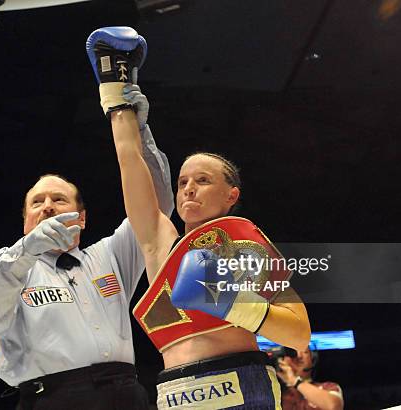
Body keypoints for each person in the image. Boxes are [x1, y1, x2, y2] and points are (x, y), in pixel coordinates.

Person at [88, 26, 311, 409]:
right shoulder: (161, 244)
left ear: (231, 195)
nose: (189, 188)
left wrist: (227, 301)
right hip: (173, 391)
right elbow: (130, 159)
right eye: (183, 181)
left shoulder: (242, 243)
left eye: (203, 180)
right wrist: (116, 95)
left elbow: (299, 333)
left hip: (240, 381)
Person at [0, 62, 174, 409]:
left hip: (127, 393)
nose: (47, 207)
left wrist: (139, 132)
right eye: (37, 202)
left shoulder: (109, 255)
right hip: (53, 399)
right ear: (25, 219)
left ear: (83, 218)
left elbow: (156, 211)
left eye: (59, 200)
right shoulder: (8, 268)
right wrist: (28, 249)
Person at [278, 347, 344, 410]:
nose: (299, 356)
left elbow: (334, 406)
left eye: (304, 352)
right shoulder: (277, 391)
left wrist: (295, 381)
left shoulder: (328, 387)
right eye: (293, 353)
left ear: (312, 358)